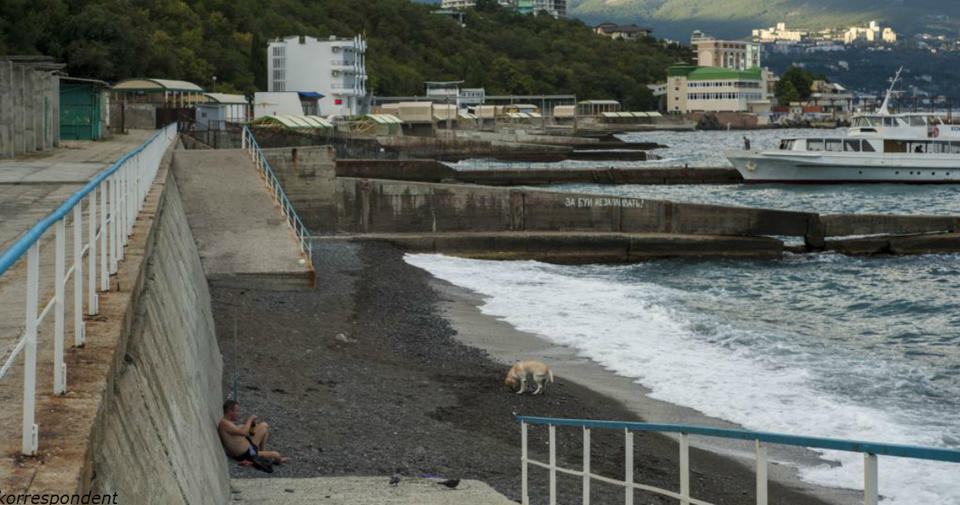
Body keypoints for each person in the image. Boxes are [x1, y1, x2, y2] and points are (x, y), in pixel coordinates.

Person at [218, 399, 290, 466]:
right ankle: (277, 460)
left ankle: (263, 454)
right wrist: (250, 419)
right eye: (237, 411)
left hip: (249, 447)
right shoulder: (225, 424)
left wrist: (252, 425)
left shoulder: (227, 422)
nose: (239, 414)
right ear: (230, 411)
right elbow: (243, 432)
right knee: (276, 455)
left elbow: (241, 430)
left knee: (264, 426)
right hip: (247, 454)